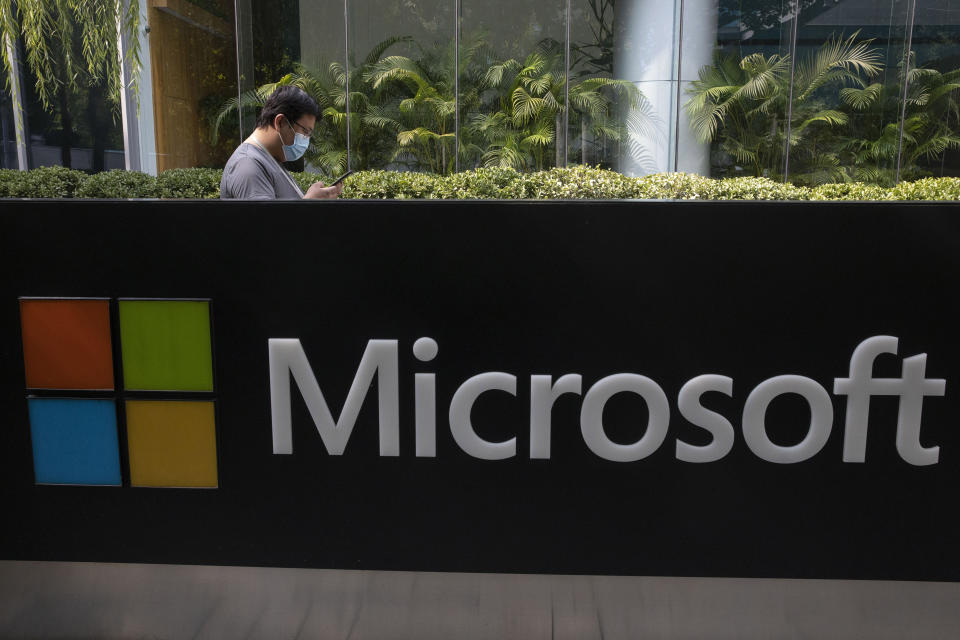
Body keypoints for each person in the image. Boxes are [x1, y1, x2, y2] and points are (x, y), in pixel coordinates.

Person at [220, 86, 343, 200]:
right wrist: (309, 203)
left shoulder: (270, 159)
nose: (306, 139)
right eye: (305, 131)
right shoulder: (247, 166)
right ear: (280, 122)